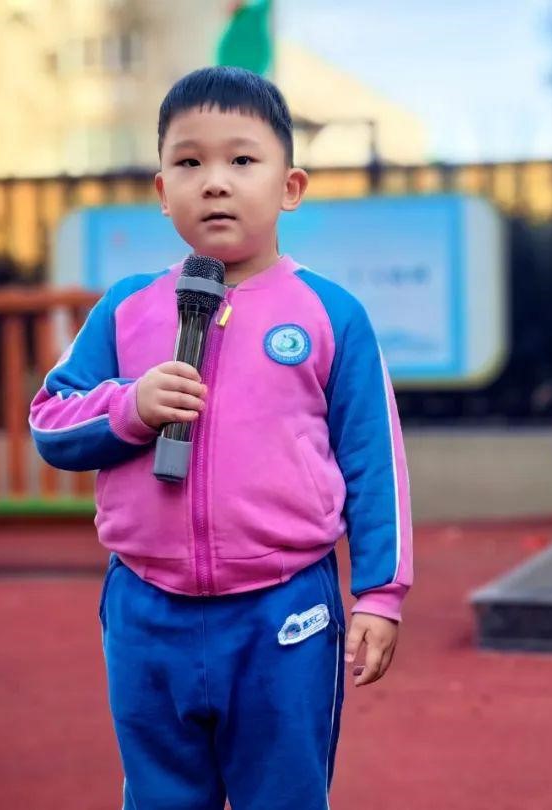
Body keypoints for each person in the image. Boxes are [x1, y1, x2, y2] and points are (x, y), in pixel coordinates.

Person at [29, 66, 413, 810]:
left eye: (241, 160)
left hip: (283, 610)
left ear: (289, 187)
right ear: (161, 189)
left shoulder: (332, 315)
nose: (214, 182)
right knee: (161, 795)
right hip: (146, 608)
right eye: (189, 162)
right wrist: (129, 406)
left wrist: (380, 594)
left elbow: (376, 465)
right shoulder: (126, 310)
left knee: (285, 794)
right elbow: (51, 420)